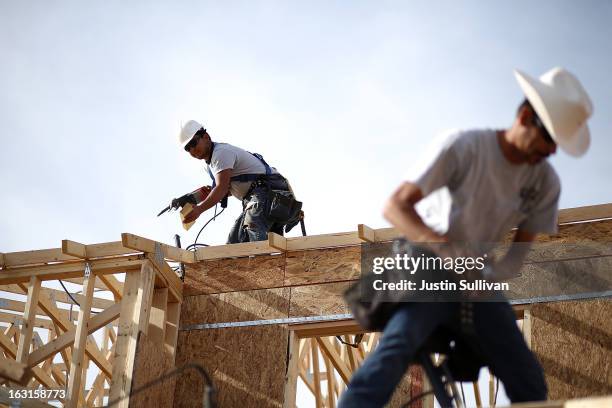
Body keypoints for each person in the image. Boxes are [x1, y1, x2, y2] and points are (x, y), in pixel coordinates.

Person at [339, 67, 593, 407]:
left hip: (474, 276)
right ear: (525, 116)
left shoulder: (545, 183)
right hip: (425, 263)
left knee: (526, 376)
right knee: (398, 344)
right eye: (548, 139)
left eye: (556, 147)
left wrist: (483, 275)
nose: (549, 153)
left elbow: (516, 258)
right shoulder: (466, 146)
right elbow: (396, 206)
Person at [178, 120, 301, 243]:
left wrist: (199, 209)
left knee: (253, 225)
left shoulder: (220, 153)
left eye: (193, 143)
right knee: (234, 242)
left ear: (206, 137)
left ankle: (261, 260)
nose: (192, 150)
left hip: (270, 194)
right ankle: (263, 259)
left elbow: (221, 188)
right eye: (187, 148)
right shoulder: (210, 164)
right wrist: (197, 197)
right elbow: (225, 189)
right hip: (259, 199)